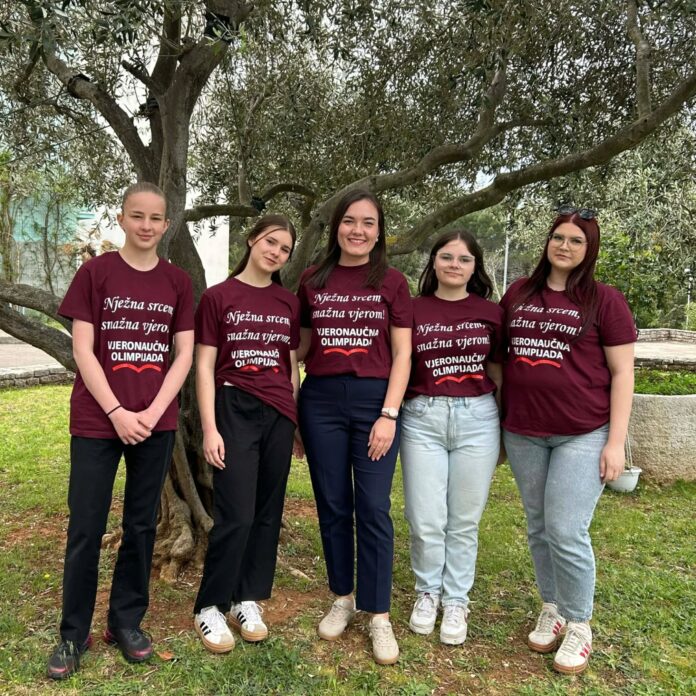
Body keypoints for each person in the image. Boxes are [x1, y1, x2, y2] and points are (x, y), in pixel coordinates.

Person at [47, 182, 194, 680]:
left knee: (140, 526)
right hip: (97, 419)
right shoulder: (96, 273)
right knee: (86, 527)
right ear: (122, 218)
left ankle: (125, 622)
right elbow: (82, 350)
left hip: (155, 422)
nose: (146, 225)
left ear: (167, 224)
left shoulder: (177, 282)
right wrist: (116, 411)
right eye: (137, 215)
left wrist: (151, 412)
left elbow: (184, 355)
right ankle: (74, 632)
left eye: (155, 218)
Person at [500, 206, 636, 675]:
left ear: (589, 249)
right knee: (539, 525)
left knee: (566, 528)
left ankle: (579, 623)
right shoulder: (519, 292)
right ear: (548, 242)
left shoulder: (605, 301)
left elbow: (623, 373)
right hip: (523, 431)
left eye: (577, 240)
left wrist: (615, 442)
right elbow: (501, 358)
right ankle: (553, 607)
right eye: (559, 237)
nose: (565, 246)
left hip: (583, 432)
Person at [297, 189, 412, 665]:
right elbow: (300, 347)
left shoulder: (392, 282)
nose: (357, 230)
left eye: (368, 223)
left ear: (379, 232)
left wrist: (389, 414)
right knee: (332, 504)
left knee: (373, 507)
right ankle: (342, 597)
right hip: (320, 401)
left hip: (374, 403)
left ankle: (378, 613)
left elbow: (403, 353)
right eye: (349, 221)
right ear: (336, 227)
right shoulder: (312, 279)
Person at [192, 215, 300, 653]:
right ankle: (209, 605)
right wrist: (210, 427)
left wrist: (293, 416)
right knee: (235, 512)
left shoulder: (288, 302)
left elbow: (290, 365)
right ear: (252, 239)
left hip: (278, 414)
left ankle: (246, 599)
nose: (276, 252)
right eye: (271, 242)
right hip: (233, 407)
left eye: (285, 249)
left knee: (267, 512)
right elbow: (204, 365)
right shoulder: (218, 297)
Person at [400, 230, 503, 645]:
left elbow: (498, 371)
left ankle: (456, 599)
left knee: (463, 520)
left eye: (464, 259)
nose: (454, 265)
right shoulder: (412, 309)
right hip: (422, 417)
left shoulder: (491, 313)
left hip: (478, 418)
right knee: (425, 518)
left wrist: (506, 428)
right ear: (434, 262)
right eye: (446, 257)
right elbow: (400, 363)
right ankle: (428, 592)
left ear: (475, 267)